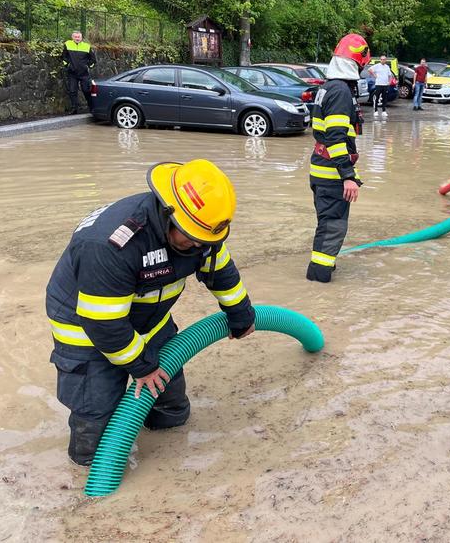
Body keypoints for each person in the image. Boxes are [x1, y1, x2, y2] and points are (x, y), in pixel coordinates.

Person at [46, 159, 256, 466]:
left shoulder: (202, 231)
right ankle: (92, 470)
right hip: (87, 332)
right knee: (97, 413)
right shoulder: (110, 245)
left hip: (150, 322)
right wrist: (141, 367)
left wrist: (241, 314)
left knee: (172, 406)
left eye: (205, 240)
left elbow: (220, 270)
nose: (199, 245)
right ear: (168, 212)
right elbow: (103, 322)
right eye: (192, 237)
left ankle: (165, 442)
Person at [306, 33, 371, 283]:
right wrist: (348, 176)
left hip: (321, 170)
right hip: (332, 174)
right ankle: (319, 280)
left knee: (327, 225)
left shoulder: (328, 87)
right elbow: (335, 137)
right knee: (333, 227)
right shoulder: (341, 91)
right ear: (359, 62)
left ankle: (322, 271)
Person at [62, 30, 96, 114]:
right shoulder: (67, 44)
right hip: (72, 73)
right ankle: (74, 109)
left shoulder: (87, 46)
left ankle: (91, 107)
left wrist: (87, 66)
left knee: (86, 90)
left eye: (79, 37)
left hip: (84, 74)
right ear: (72, 37)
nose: (77, 38)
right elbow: (63, 57)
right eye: (75, 37)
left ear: (81, 37)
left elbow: (93, 60)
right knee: (72, 91)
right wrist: (68, 65)